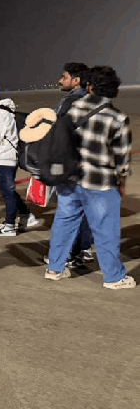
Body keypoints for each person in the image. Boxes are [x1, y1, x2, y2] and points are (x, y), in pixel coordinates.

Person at [45, 66, 135, 289]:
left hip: (71, 180)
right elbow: (121, 159)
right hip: (100, 183)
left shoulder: (74, 109)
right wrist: (121, 184)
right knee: (106, 230)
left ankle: (54, 269)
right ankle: (113, 277)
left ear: (90, 87)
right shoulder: (118, 118)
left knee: (64, 224)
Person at [0, 84, 39, 236]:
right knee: (7, 190)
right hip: (9, 156)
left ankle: (10, 226)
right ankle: (25, 215)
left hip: (4, 157)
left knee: (7, 192)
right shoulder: (6, 110)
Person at [47, 62, 93, 268]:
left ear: (76, 81)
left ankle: (65, 256)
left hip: (71, 165)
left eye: (64, 77)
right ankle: (84, 249)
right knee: (84, 209)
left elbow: (57, 133)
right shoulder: (93, 100)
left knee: (68, 213)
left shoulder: (70, 101)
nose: (60, 80)